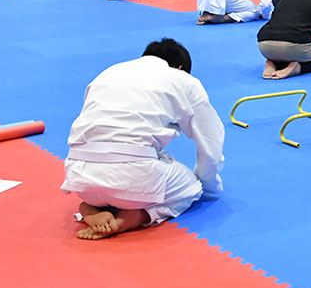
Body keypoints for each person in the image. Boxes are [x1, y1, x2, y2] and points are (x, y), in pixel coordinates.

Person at [61, 39, 225, 240]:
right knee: (193, 188)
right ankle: (137, 216)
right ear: (180, 68)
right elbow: (210, 143)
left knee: (148, 159)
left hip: (80, 176)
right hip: (133, 176)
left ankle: (91, 206)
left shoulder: (109, 72)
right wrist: (209, 185)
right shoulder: (182, 80)